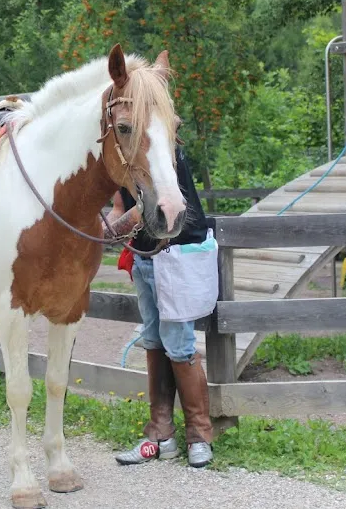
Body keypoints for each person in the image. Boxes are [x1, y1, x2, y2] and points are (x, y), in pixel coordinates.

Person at [110, 146, 214, 469]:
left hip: (174, 256)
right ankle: (161, 434)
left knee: (179, 344)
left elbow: (151, 209)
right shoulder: (120, 156)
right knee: (153, 341)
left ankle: (199, 435)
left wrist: (107, 231)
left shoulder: (163, 150)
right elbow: (118, 208)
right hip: (144, 258)